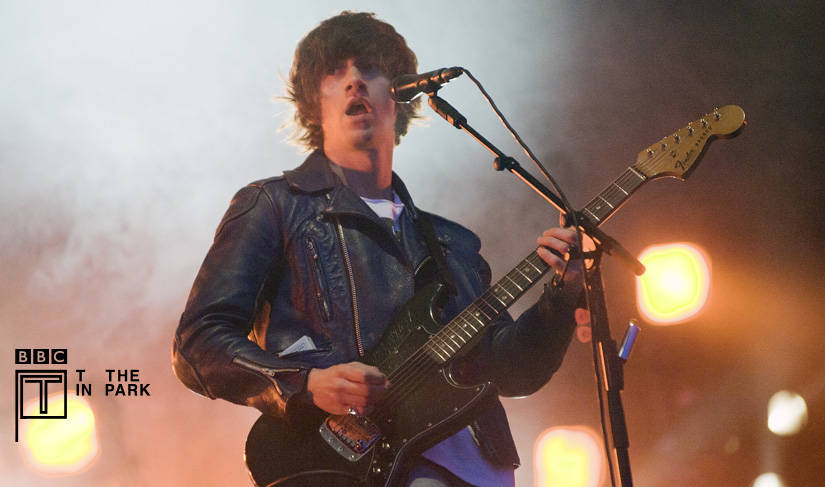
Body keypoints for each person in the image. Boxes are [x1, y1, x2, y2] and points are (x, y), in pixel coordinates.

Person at [171, 11, 585, 487]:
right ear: (313, 103)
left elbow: (514, 372)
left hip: (477, 472)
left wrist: (562, 295)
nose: (354, 81)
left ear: (400, 96)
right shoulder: (275, 206)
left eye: (369, 68)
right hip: (350, 467)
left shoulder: (452, 242)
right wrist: (304, 383)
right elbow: (198, 342)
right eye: (334, 71)